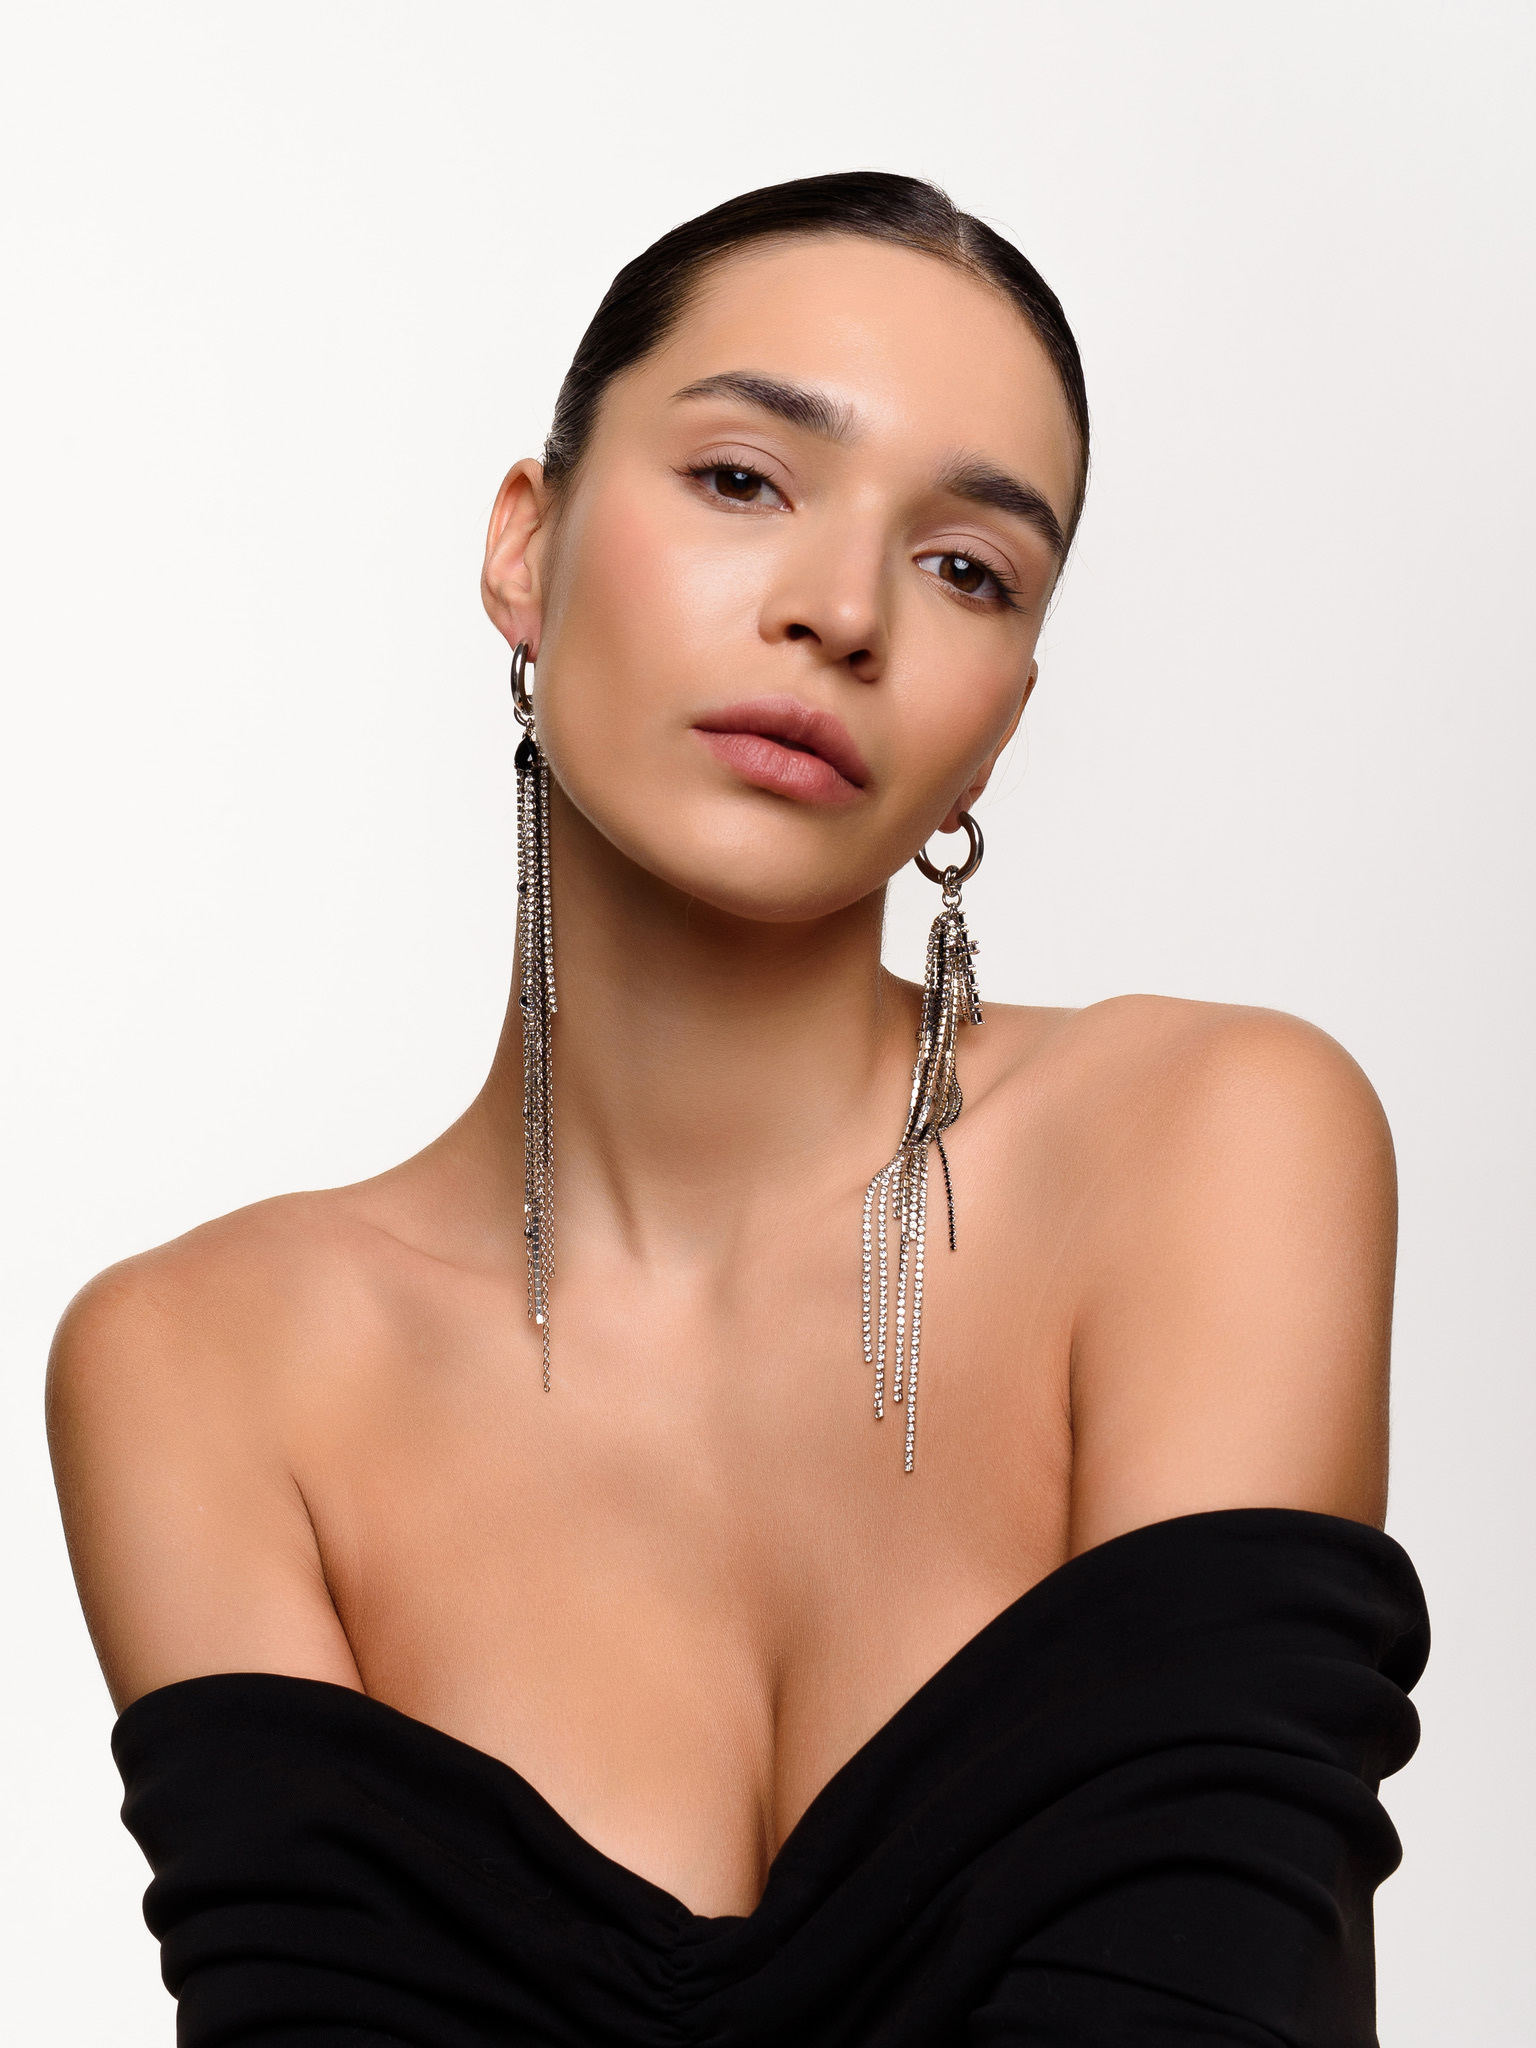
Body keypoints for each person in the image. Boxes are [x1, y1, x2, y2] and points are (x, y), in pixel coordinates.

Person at [47, 172, 1427, 2044]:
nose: (841, 611)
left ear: (1002, 722)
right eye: (742, 479)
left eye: (966, 569)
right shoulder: (205, 1371)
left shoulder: (1209, 1147)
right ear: (526, 547)